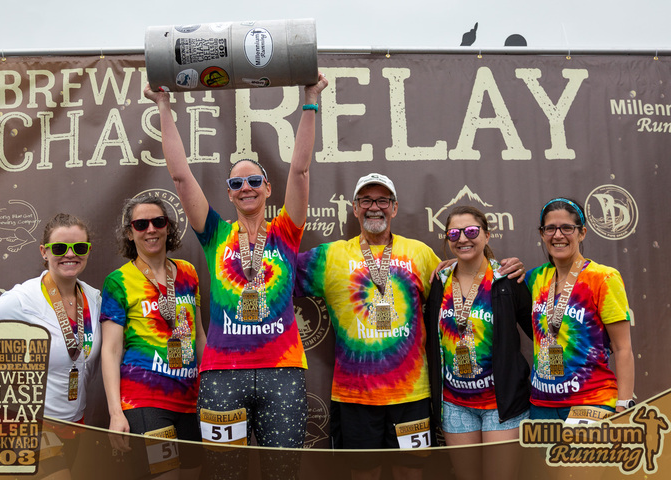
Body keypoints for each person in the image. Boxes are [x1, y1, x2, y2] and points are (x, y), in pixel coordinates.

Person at [142, 71, 327, 454]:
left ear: (267, 188)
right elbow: (180, 177)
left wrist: (310, 101)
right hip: (222, 374)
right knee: (224, 472)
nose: (246, 188)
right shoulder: (215, 234)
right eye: (237, 184)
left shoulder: (286, 231)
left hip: (283, 372)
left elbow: (301, 170)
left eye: (254, 182)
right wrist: (163, 106)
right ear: (228, 194)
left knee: (283, 472)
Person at [295, 174, 525, 480]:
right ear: (354, 208)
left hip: (412, 397)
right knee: (364, 474)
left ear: (394, 208)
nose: (374, 207)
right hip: (355, 398)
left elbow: (462, 286)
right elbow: (277, 274)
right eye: (366, 200)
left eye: (382, 200)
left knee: (411, 473)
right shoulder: (331, 255)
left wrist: (507, 267)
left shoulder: (419, 253)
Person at [0, 213, 100, 475]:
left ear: (88, 250)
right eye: (59, 248)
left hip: (74, 422)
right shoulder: (24, 298)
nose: (69, 254)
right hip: (27, 424)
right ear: (44, 251)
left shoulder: (94, 298)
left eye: (78, 247)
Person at [100, 196, 206, 475]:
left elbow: (200, 337)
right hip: (145, 399)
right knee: (167, 475)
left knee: (192, 474)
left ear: (168, 227)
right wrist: (115, 413)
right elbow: (110, 351)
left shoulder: (188, 273)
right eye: (140, 224)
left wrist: (210, 391)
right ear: (129, 232)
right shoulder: (119, 281)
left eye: (158, 222)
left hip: (190, 399)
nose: (151, 229)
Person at [424, 206, 531, 480]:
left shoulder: (507, 280)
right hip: (455, 403)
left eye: (471, 231)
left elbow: (540, 334)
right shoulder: (440, 281)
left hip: (501, 404)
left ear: (487, 235)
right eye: (454, 233)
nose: (463, 238)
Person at [526, 198, 634, 420]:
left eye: (567, 228)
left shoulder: (603, 278)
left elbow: (622, 347)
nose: (558, 235)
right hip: (542, 406)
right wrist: (453, 265)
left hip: (591, 402)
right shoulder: (535, 277)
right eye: (550, 229)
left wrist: (624, 405)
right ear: (542, 234)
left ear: (582, 232)